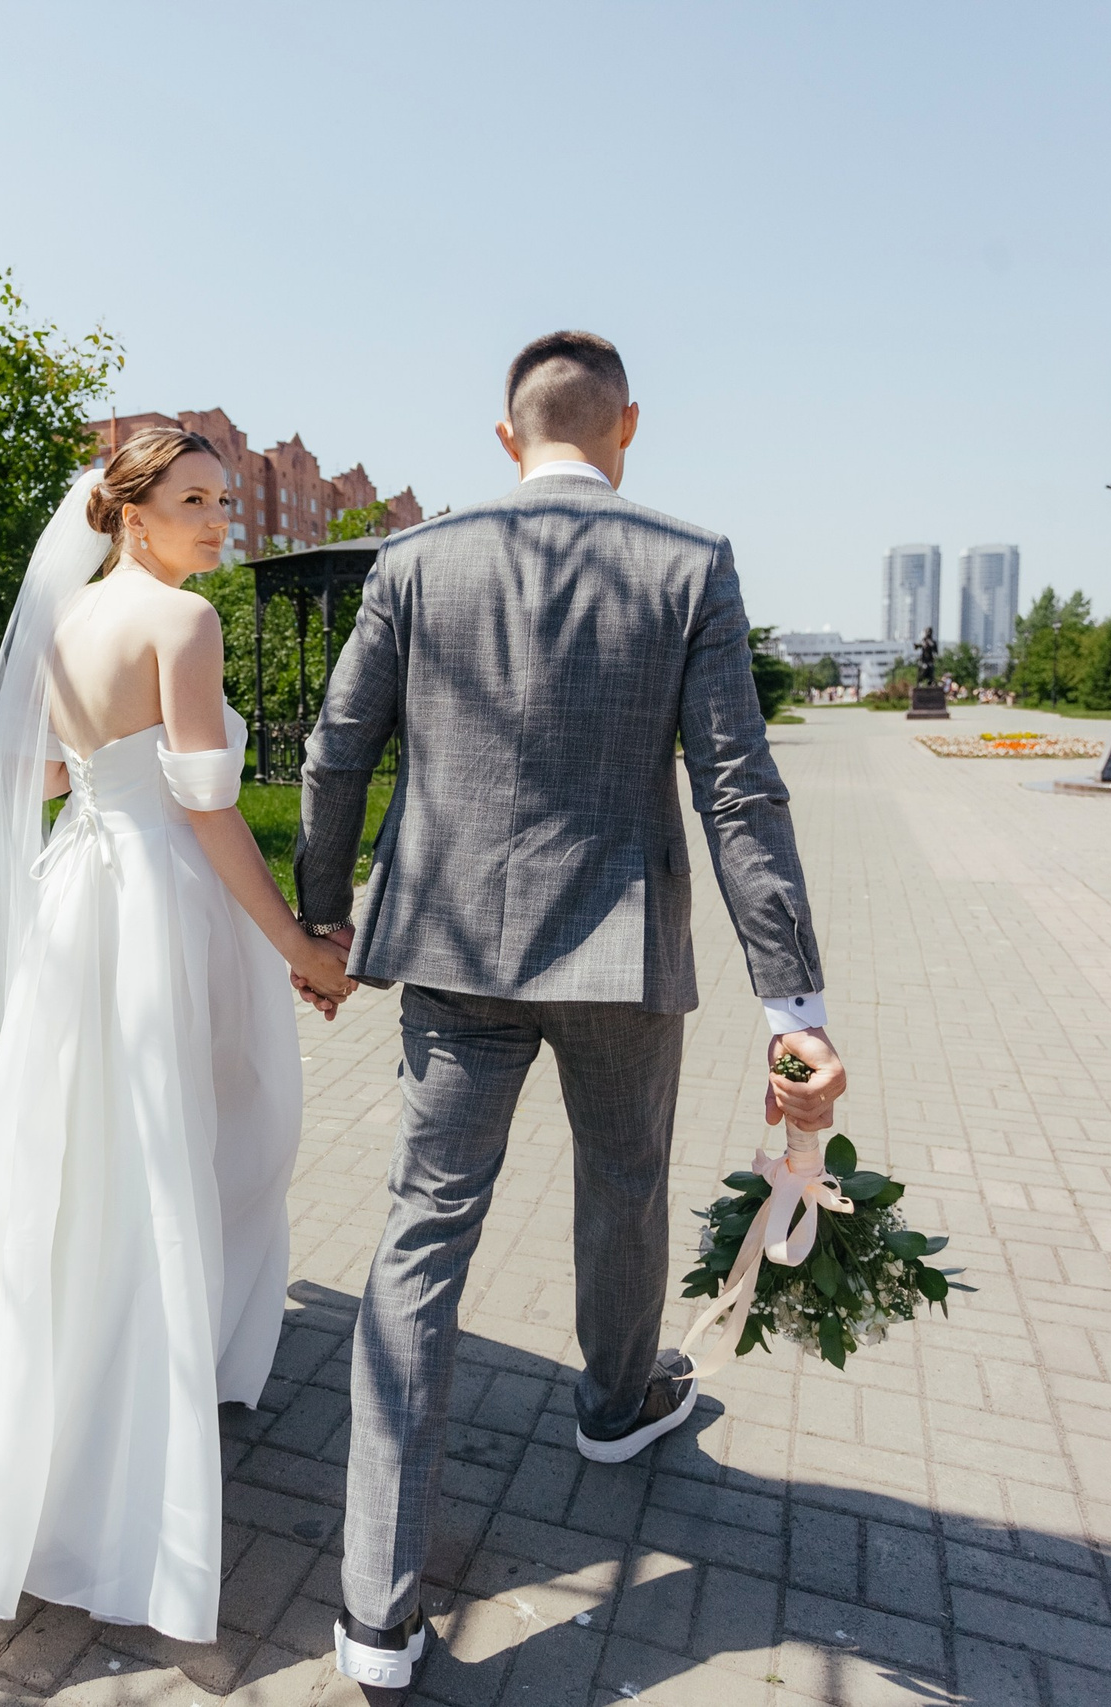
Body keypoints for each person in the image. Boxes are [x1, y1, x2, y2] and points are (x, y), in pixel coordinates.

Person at [294, 332, 846, 1697]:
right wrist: (796, 999)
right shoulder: (689, 560)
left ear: (504, 436)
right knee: (626, 1179)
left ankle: (375, 1608)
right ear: (627, 428)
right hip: (619, 953)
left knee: (421, 1235)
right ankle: (613, 1404)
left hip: (450, 953)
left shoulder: (413, 559)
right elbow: (737, 788)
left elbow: (336, 745)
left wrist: (321, 918)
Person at [0, 428, 356, 1643]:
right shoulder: (180, 625)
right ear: (129, 513)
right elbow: (208, 814)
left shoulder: (68, 619)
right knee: (181, 1143)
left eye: (223, 503)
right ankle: (136, 1434)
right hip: (154, 901)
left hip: (82, 897)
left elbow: (37, 777)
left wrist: (101, 773)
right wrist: (299, 949)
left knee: (77, 1156)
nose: (216, 524)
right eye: (190, 502)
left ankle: (54, 1433)